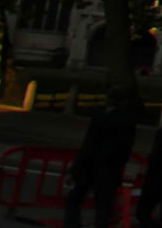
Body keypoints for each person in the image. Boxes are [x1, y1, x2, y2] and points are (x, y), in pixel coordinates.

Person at [64, 88, 140, 228]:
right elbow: (125, 150)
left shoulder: (99, 117)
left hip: (89, 167)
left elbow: (88, 145)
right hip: (110, 170)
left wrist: (75, 169)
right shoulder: (129, 122)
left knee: (74, 201)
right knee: (103, 208)